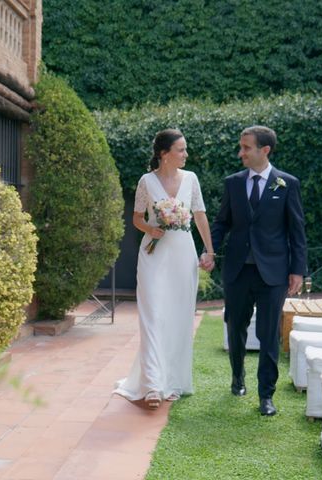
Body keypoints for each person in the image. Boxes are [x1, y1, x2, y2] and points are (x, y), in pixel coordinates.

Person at [200, 125, 307, 416]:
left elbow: (297, 231)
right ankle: (238, 377)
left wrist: (298, 270)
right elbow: (222, 222)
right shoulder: (233, 183)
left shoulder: (287, 184)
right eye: (241, 147)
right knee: (235, 327)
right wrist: (210, 250)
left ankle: (266, 396)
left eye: (246, 147)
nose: (241, 153)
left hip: (273, 272)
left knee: (268, 332)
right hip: (237, 271)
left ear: (265, 150)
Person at [114, 129, 214, 410]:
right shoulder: (146, 181)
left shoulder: (191, 179)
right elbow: (137, 218)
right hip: (154, 255)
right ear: (164, 154)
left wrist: (210, 250)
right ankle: (152, 384)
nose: (186, 154)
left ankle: (172, 379)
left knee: (179, 316)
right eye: (180, 150)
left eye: (185, 149)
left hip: (183, 253)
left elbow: (200, 215)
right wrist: (151, 229)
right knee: (153, 314)